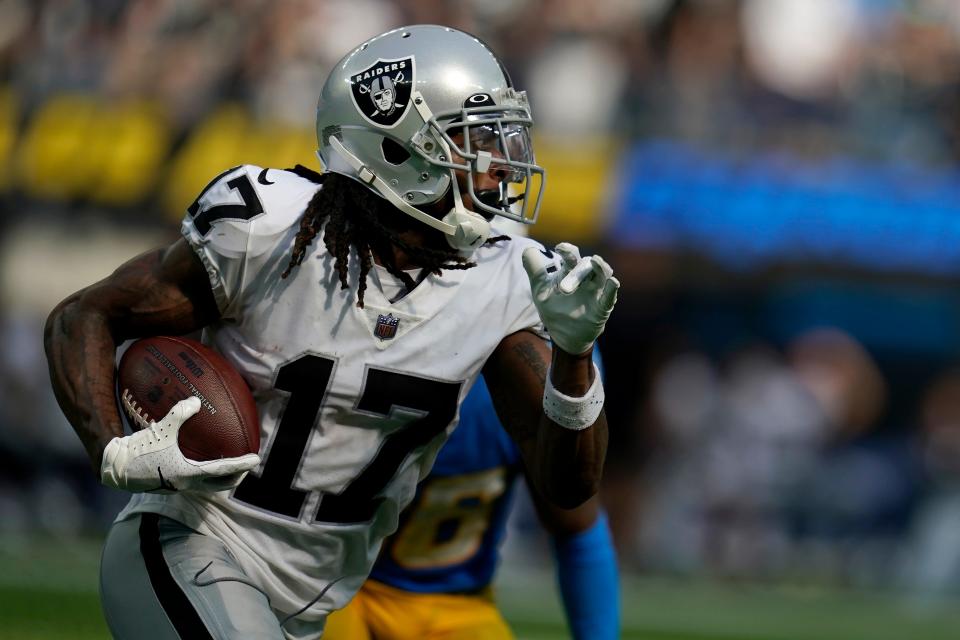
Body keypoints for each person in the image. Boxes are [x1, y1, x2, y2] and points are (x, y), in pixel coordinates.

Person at [44, 24, 618, 640]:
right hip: (192, 544)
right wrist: (111, 447)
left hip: (313, 604)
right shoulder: (270, 230)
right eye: (470, 141)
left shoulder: (502, 275)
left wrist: (574, 357)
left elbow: (568, 487)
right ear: (398, 150)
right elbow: (83, 316)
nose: (497, 166)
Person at [323, 352, 620, 640]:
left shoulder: (546, 376)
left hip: (456, 603)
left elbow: (576, 528)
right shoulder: (414, 358)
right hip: (344, 585)